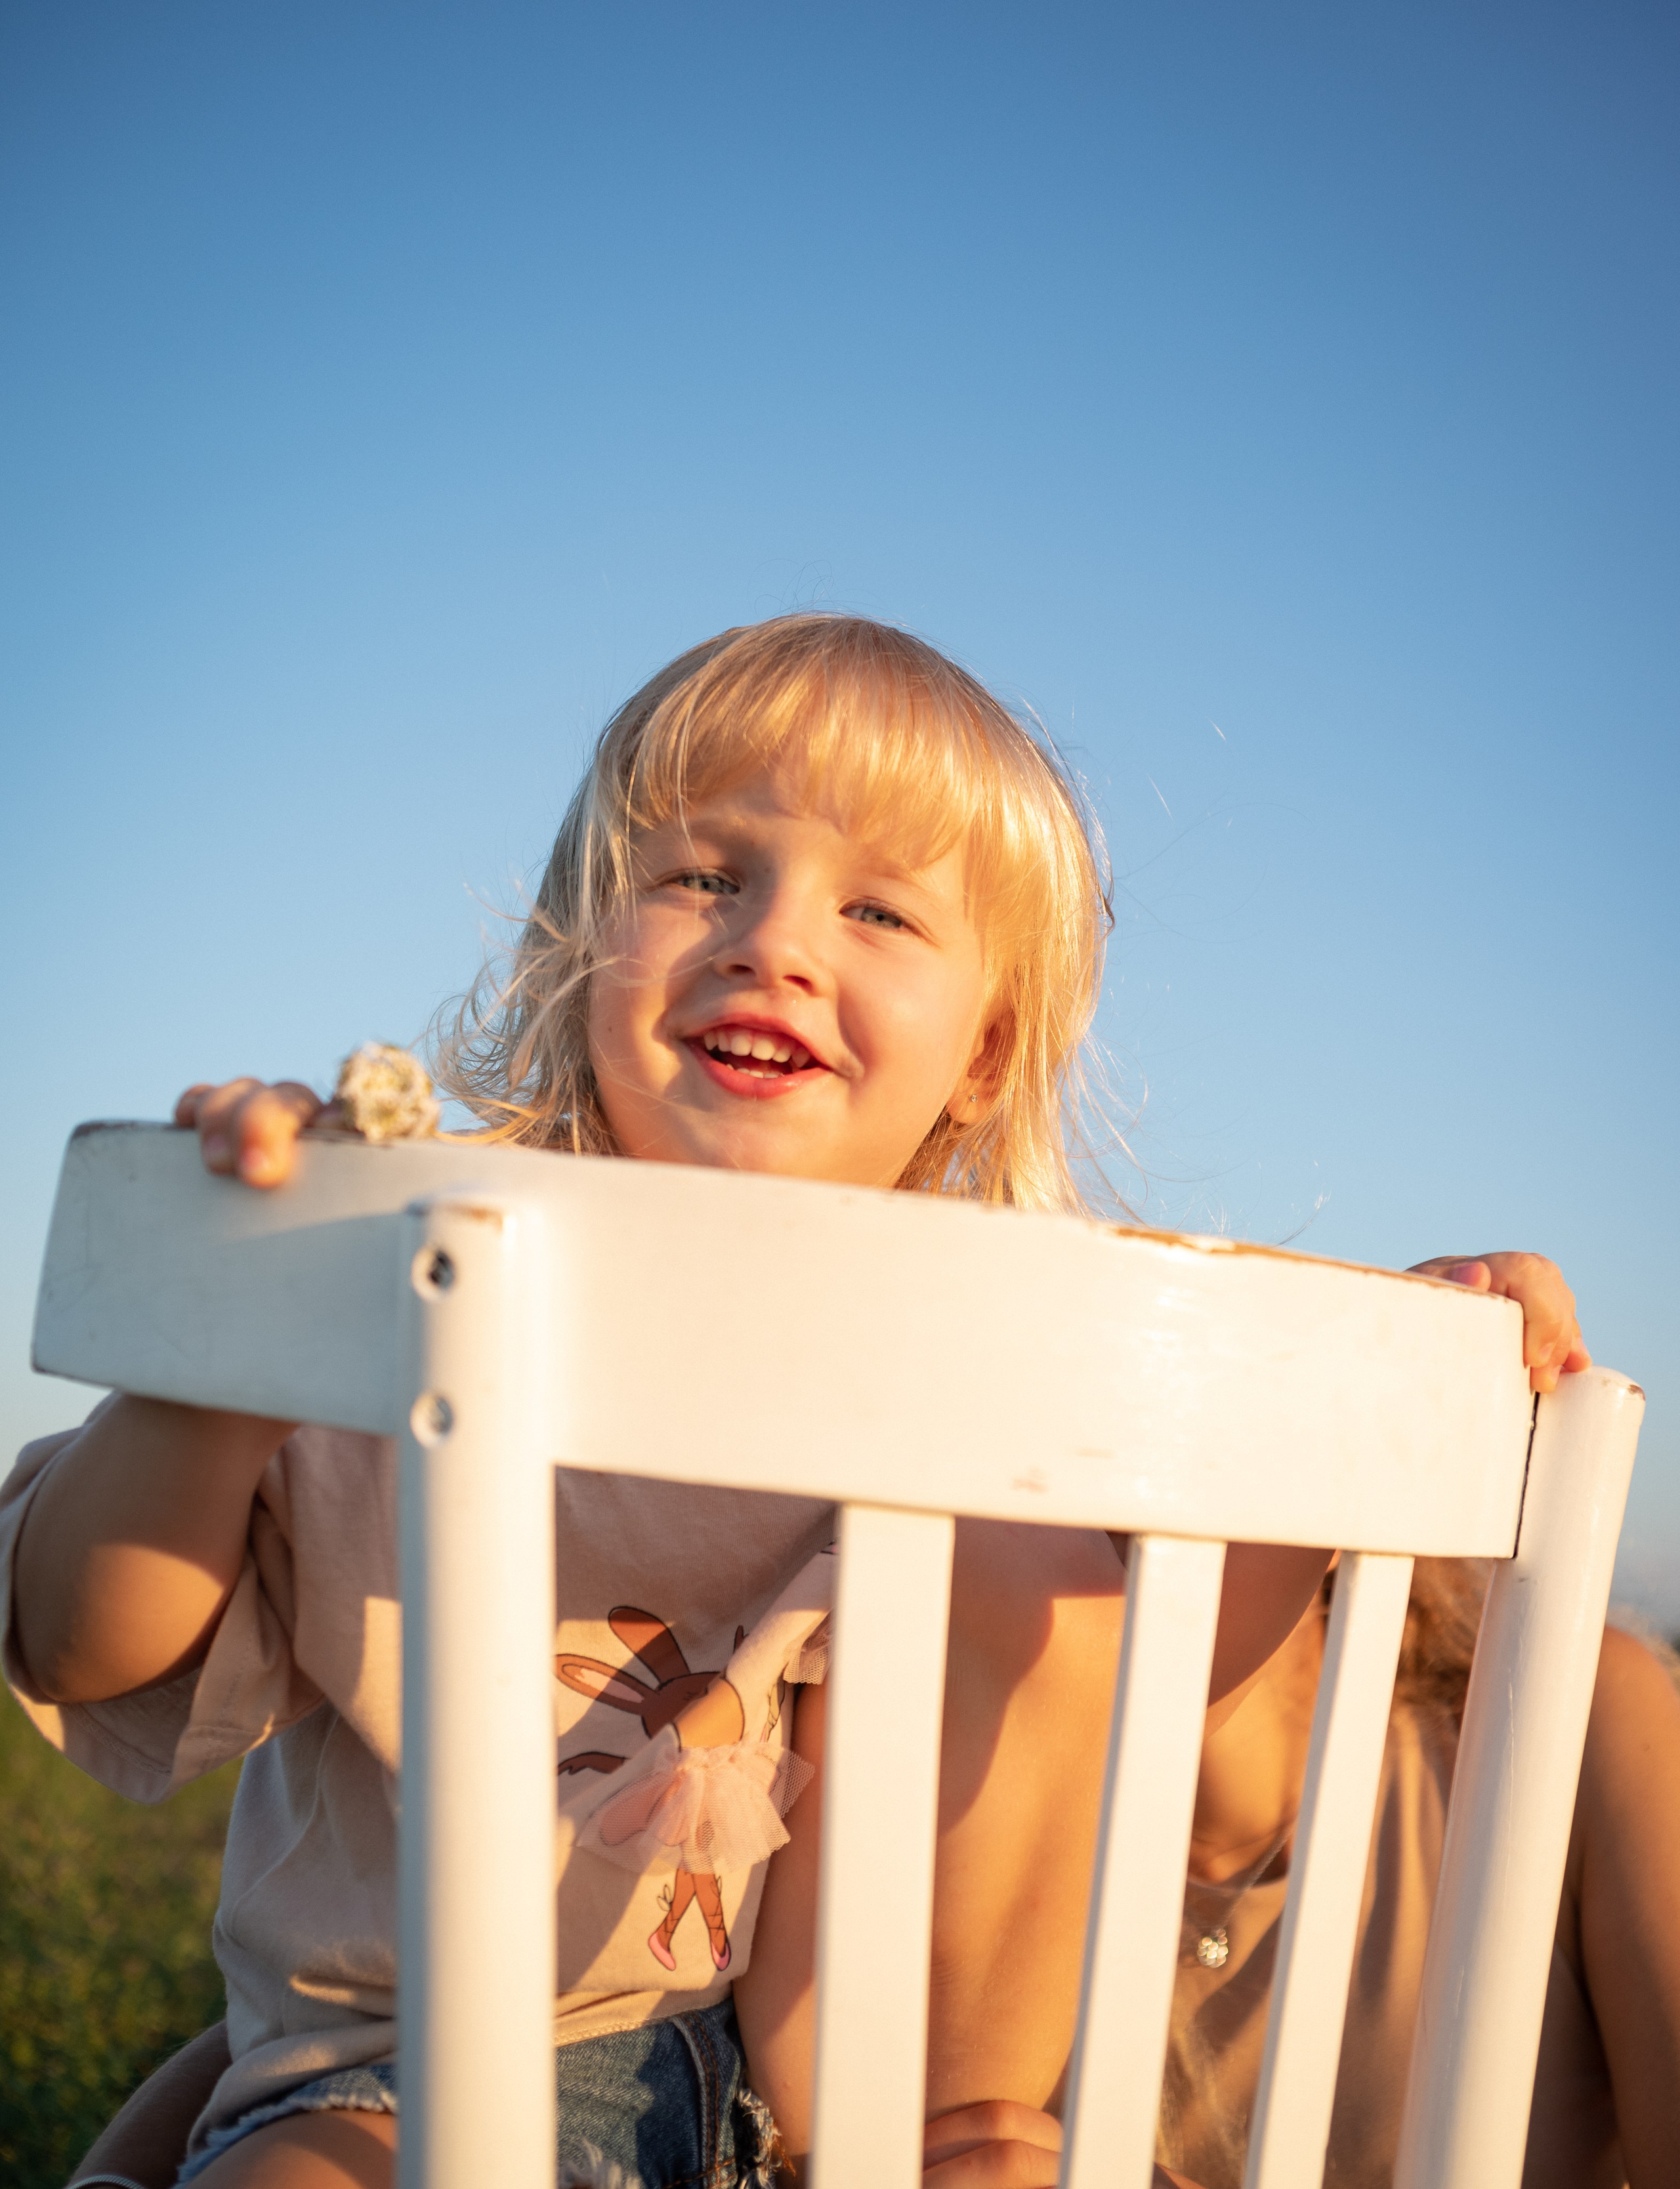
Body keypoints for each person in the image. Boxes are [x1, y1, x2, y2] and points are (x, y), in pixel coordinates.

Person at [0, 615, 1588, 2189]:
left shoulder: (998, 1376)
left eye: (881, 912)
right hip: (406, 2081)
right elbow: (91, 1644)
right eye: (702, 876)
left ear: (982, 1056)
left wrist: (1408, 1368)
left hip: (843, 2102)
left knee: (1025, 1569)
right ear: (573, 950)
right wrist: (220, 1349)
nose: (773, 942)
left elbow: (1138, 1660)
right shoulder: (401, 1295)